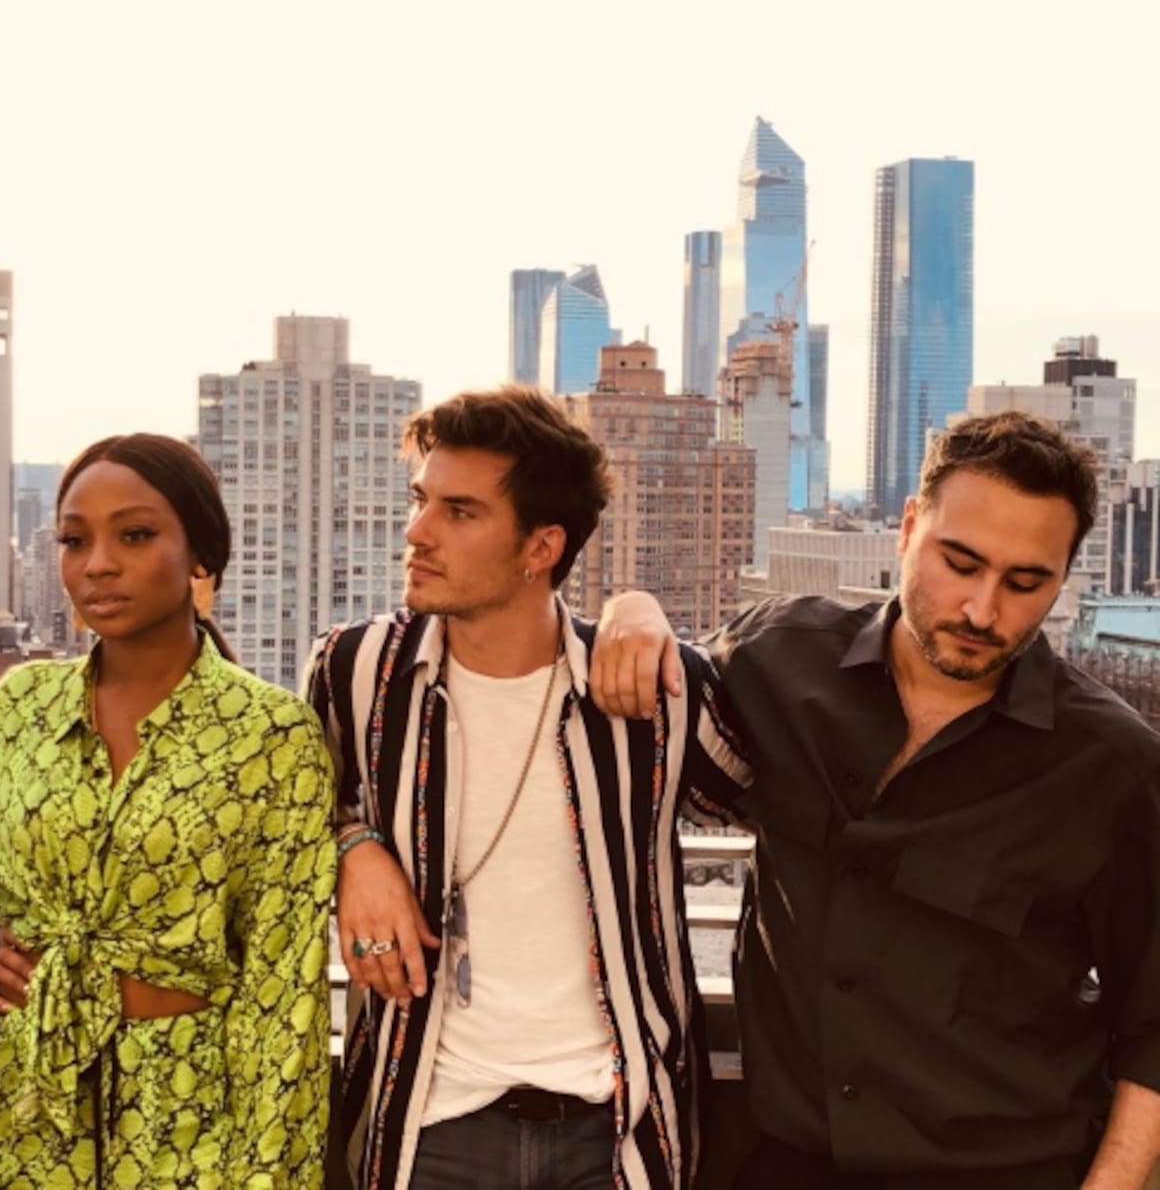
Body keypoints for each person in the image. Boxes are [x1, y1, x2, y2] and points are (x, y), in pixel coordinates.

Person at [590, 411, 1160, 1189]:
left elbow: (1154, 1027)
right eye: (960, 563)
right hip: (780, 1164)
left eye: (1026, 583)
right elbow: (650, 698)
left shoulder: (1113, 766)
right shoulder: (779, 657)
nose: (982, 610)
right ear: (909, 527)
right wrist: (632, 606)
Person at [303, 386, 753, 1190]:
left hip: (615, 1130)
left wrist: (645, 611)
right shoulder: (355, 671)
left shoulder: (646, 686)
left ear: (541, 547)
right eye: (421, 500)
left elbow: (765, 790)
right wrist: (353, 848)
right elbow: (286, 812)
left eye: (460, 512)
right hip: (427, 1123)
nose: (417, 532)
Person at [0, 433, 336, 1187]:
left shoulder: (271, 736)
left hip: (192, 1119)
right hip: (16, 1105)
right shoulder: (14, 712)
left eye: (134, 535)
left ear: (200, 554)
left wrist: (269, 1170)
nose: (98, 563)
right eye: (74, 540)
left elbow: (282, 988)